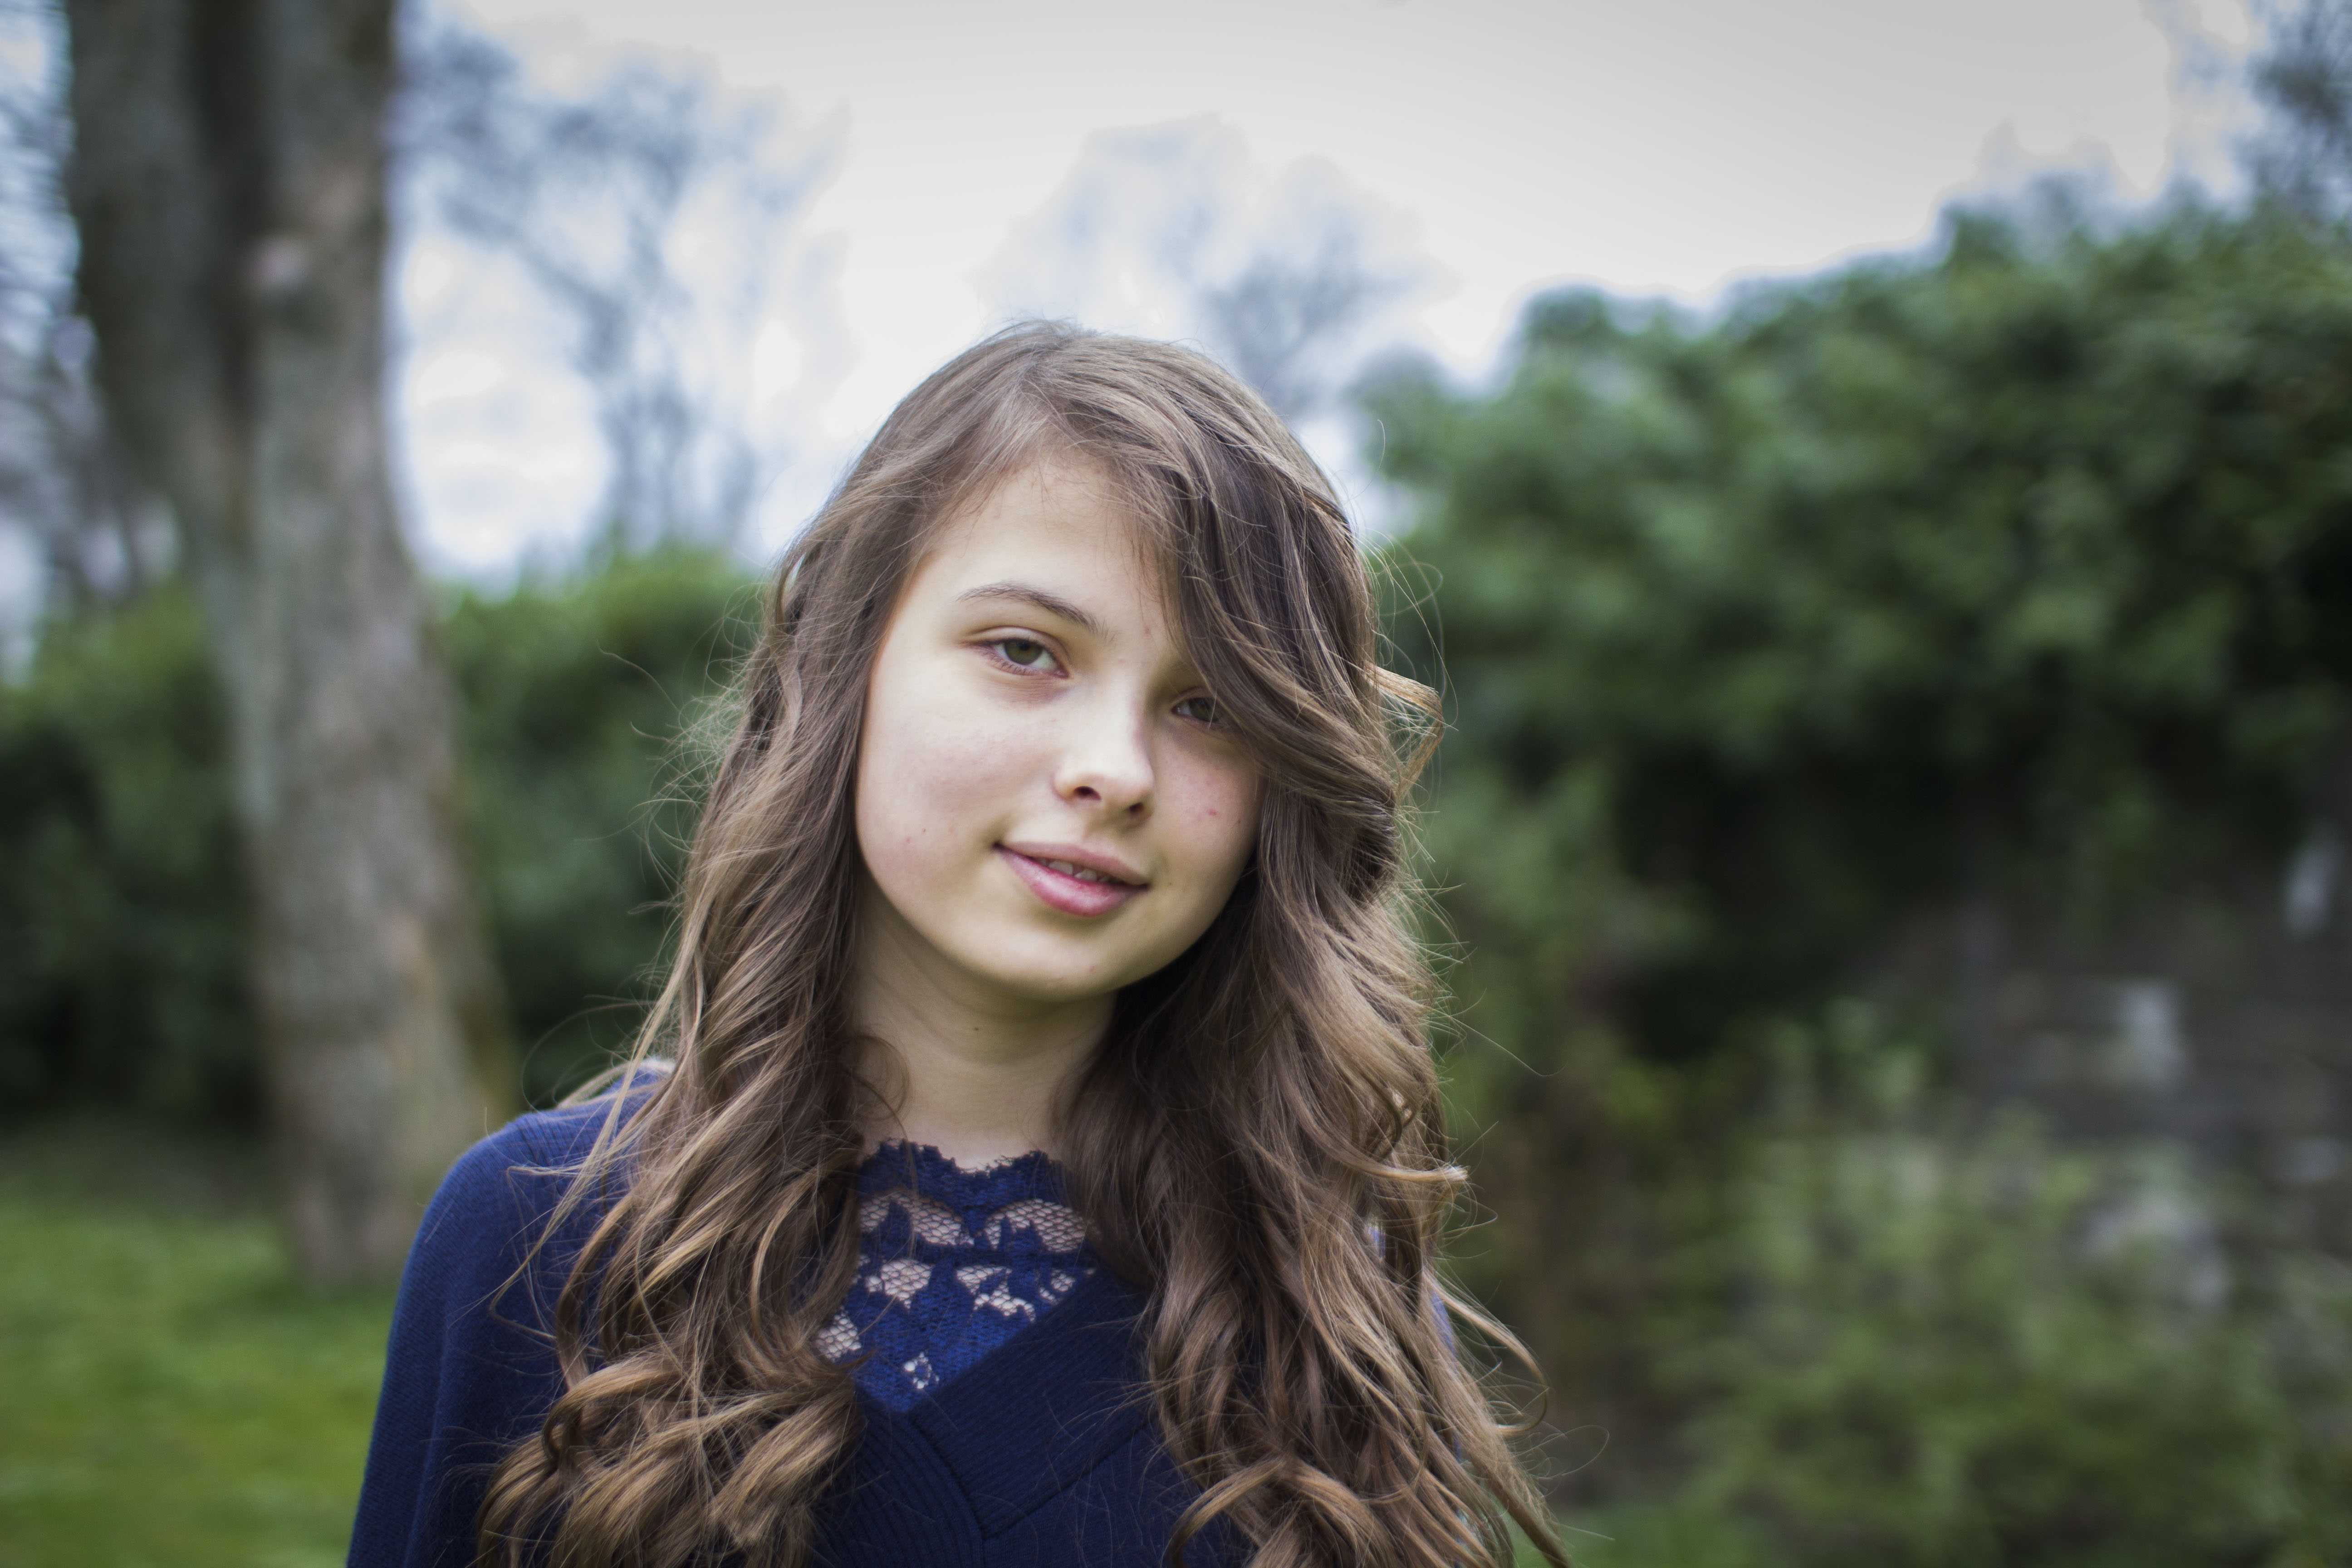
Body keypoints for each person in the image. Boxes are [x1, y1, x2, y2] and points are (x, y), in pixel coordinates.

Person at [348, 323, 1570, 1568]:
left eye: (1209, 706)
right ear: (845, 666)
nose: (1115, 770)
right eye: (1026, 651)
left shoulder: (1343, 1320)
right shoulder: (536, 1239)